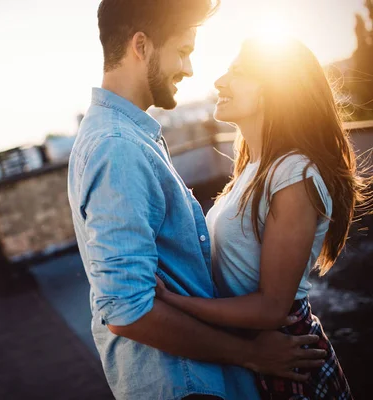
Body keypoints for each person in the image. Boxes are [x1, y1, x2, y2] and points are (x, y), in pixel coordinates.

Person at [68, 1, 326, 399]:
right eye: (183, 51)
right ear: (142, 45)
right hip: (185, 384)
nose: (189, 69)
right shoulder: (117, 147)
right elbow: (126, 310)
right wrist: (250, 354)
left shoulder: (129, 137)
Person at [155, 38, 363, 399]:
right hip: (255, 353)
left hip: (286, 358)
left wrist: (176, 303)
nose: (220, 82)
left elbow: (271, 308)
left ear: (272, 90)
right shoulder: (252, 168)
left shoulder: (295, 174)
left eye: (237, 73)